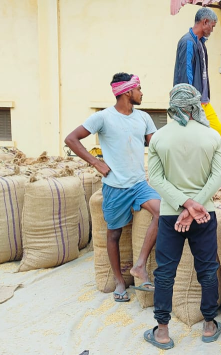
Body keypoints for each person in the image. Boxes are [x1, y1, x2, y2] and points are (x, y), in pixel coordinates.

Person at [64, 72, 161, 302]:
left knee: (161, 212)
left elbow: (157, 145)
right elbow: (71, 139)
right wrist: (96, 162)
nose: (141, 93)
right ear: (127, 91)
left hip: (139, 184)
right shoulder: (103, 118)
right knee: (114, 234)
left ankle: (139, 265)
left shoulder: (144, 117)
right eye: (139, 89)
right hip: (115, 187)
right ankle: (119, 282)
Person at [143, 84, 221, 350]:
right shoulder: (212, 136)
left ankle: (162, 332)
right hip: (204, 215)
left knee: (165, 272)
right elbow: (218, 176)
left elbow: (156, 179)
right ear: (195, 105)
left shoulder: (159, 138)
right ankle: (209, 325)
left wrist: (184, 206)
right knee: (207, 269)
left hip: (170, 215)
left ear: (173, 105)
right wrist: (195, 206)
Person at [174, 7, 221, 144]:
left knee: (219, 132)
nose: (212, 30)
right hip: (192, 103)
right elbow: (186, 75)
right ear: (205, 22)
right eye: (212, 26)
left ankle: (215, 160)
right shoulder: (188, 42)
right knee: (193, 140)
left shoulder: (201, 43)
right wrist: (188, 106)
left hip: (203, 102)